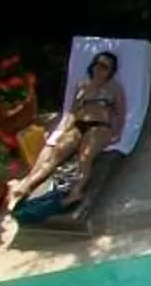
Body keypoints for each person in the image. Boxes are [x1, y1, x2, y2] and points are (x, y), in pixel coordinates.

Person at [7, 51, 124, 216]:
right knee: (54, 157)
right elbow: (73, 111)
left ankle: (76, 191)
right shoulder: (83, 84)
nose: (99, 69)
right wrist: (64, 129)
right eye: (97, 64)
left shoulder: (114, 88)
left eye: (104, 67)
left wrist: (117, 132)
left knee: (85, 157)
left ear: (111, 71)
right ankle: (27, 185)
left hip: (100, 126)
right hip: (78, 125)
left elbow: (121, 112)